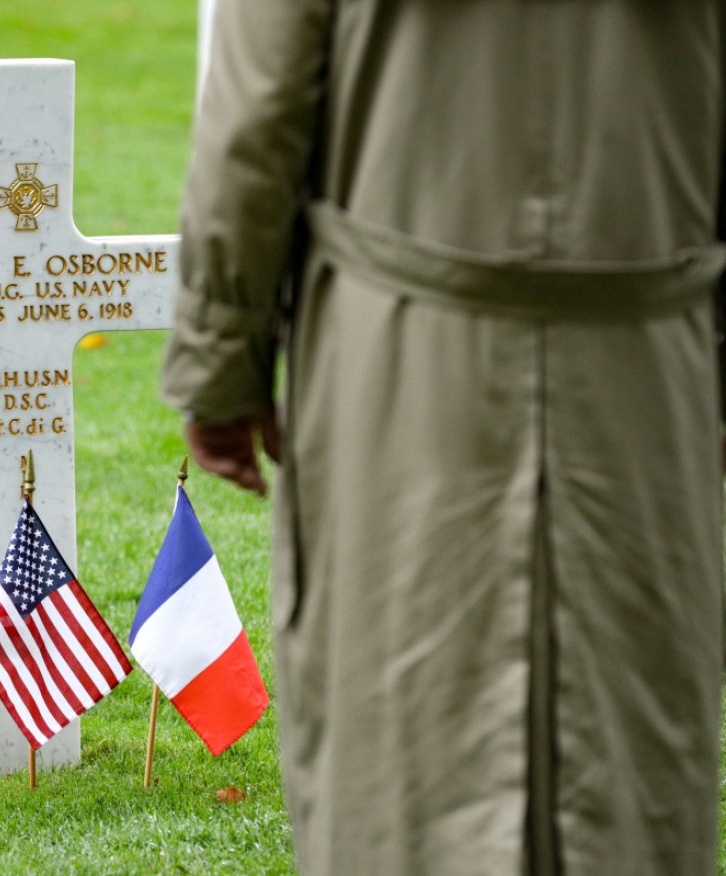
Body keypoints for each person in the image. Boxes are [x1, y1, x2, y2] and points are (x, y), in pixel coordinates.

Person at [163, 1, 725, 873]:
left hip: (404, 364)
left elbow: (258, 111)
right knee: (628, 768)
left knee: (405, 762)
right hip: (639, 367)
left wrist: (220, 359)